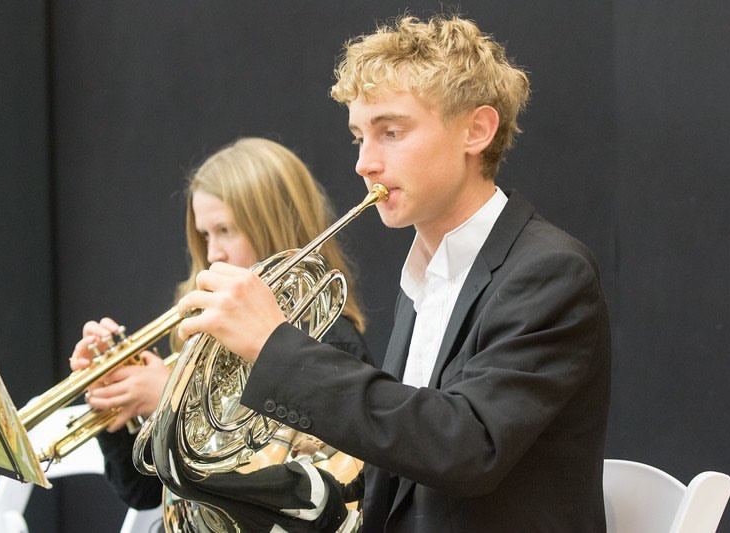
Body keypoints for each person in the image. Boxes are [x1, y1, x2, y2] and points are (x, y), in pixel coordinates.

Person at [177, 14, 612, 532]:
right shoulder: (427, 271)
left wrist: (274, 345)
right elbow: (400, 461)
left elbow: (465, 446)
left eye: (391, 132)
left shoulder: (549, 271)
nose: (364, 163)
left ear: (477, 129)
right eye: (359, 136)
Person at [69, 137, 372, 531]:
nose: (214, 254)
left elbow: (312, 491)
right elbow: (145, 493)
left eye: (226, 230)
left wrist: (170, 401)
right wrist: (116, 406)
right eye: (205, 235)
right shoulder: (206, 336)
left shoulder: (332, 341)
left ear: (274, 226)